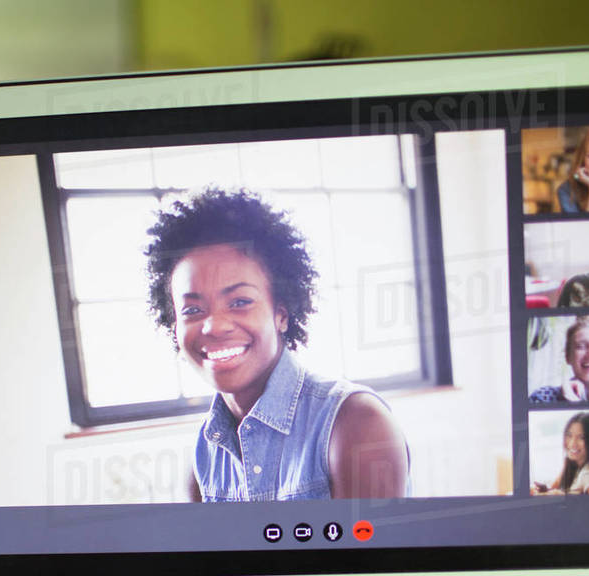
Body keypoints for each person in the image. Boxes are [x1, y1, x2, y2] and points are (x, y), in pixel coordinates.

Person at [143, 188, 408, 502]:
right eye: (191, 310)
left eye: (240, 301)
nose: (213, 325)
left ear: (281, 314)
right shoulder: (204, 456)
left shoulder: (357, 423)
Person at [531, 412, 589, 495]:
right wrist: (546, 491)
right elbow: (554, 488)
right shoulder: (571, 464)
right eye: (569, 435)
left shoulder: (588, 476)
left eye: (581, 437)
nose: (572, 443)